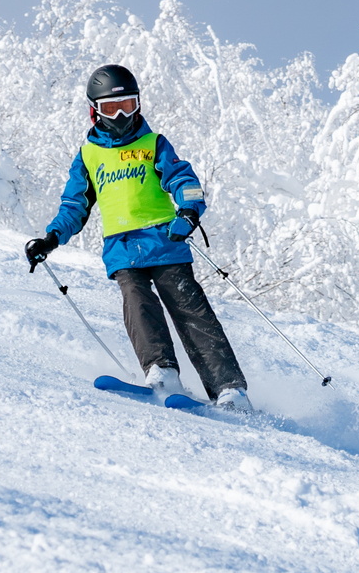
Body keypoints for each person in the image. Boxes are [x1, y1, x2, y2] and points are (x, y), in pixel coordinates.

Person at [25, 64, 252, 411]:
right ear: (94, 111)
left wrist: (188, 213)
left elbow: (183, 180)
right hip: (122, 248)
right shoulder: (89, 155)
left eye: (128, 106)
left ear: (139, 105)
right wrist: (51, 239)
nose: (120, 115)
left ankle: (229, 389)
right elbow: (75, 204)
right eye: (111, 108)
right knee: (137, 303)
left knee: (190, 309)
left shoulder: (153, 143)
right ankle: (162, 371)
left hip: (165, 241)